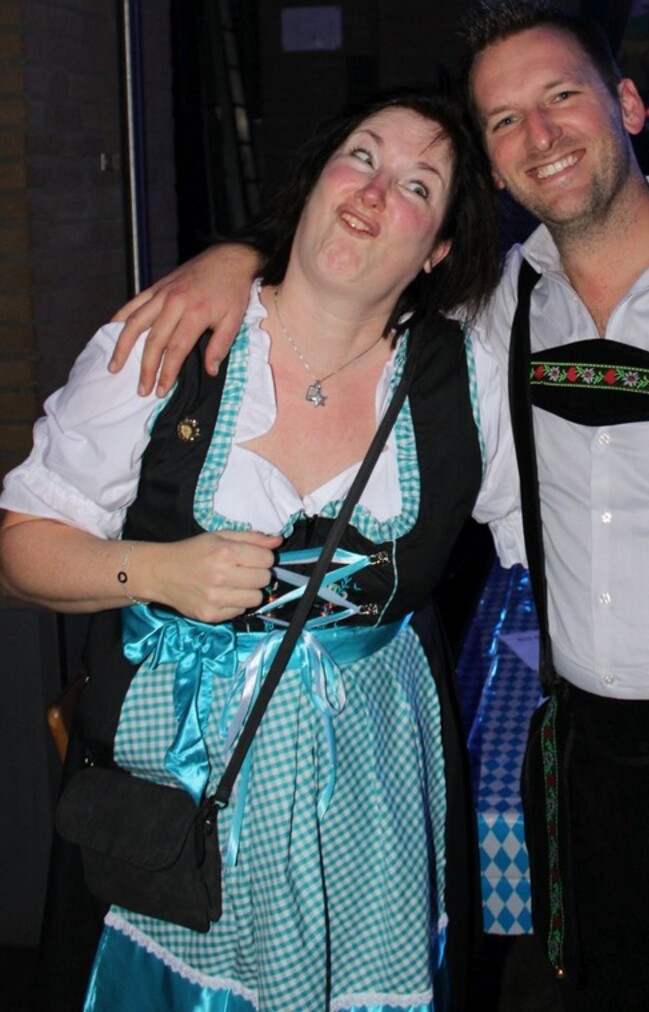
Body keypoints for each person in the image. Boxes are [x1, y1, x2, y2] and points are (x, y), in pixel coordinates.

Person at [98, 1, 649, 1011]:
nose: (539, 135)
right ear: (491, 170)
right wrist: (236, 264)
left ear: (628, 103)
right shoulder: (493, 315)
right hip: (585, 767)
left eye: (561, 97)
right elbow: (346, 280)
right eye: (503, 121)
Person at [0, 90, 520, 1012]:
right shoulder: (171, 341)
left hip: (372, 806)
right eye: (362, 155)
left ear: (439, 248)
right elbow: (20, 550)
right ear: (317, 177)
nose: (373, 191)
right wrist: (158, 571)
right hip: (176, 799)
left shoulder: (466, 376)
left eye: (417, 185)